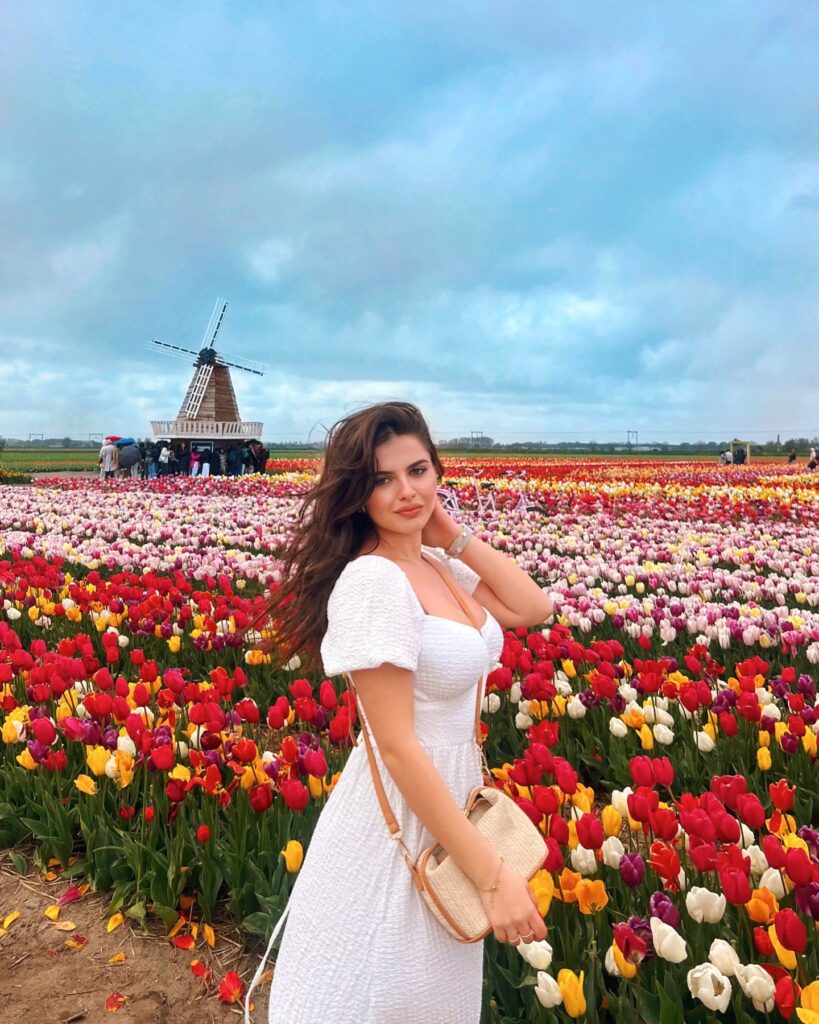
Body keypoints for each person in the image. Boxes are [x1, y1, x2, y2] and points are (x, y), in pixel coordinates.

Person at [249, 402, 552, 1024]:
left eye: (418, 471)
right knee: (379, 990)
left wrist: (450, 535)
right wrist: (491, 876)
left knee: (428, 995)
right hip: (402, 819)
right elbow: (395, 746)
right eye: (383, 480)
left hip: (454, 803)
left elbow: (532, 606)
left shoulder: (438, 566)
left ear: (439, 473)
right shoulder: (374, 582)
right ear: (358, 495)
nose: (406, 491)